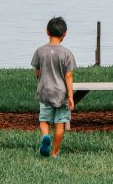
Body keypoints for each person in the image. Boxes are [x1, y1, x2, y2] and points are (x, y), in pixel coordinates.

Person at [31, 16, 76, 157]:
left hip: (44, 91)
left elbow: (37, 73)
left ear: (47, 32)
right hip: (61, 94)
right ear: (65, 34)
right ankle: (55, 153)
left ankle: (45, 136)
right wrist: (71, 96)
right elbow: (69, 76)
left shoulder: (40, 51)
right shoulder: (67, 53)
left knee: (44, 120)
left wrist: (40, 78)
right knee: (60, 123)